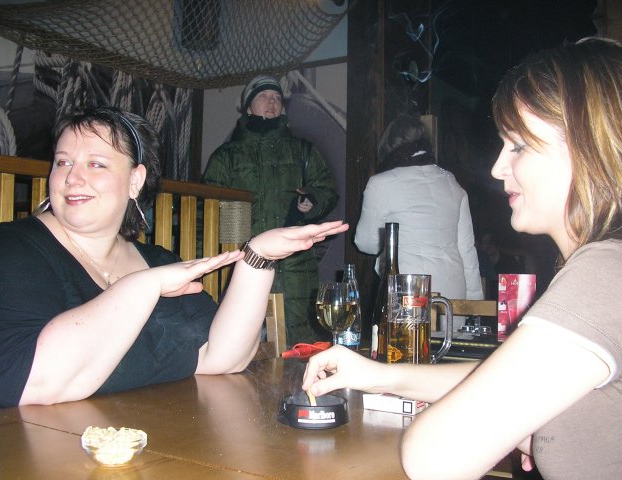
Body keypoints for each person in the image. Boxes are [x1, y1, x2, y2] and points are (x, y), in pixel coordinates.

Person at [303, 37, 622, 480]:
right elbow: (500, 373)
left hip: (406, 304)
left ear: (590, 146)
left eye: (518, 146)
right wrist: (378, 375)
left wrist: (517, 424)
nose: (497, 168)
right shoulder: (453, 185)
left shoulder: (605, 274)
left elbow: (432, 457)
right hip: (450, 301)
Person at [0, 106, 348, 410]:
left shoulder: (157, 261)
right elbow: (31, 382)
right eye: (63, 162)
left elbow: (221, 356)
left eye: (96, 164)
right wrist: (145, 286)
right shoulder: (7, 250)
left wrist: (258, 256)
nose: (72, 178)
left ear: (135, 180)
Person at [202, 75, 339, 346]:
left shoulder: (303, 151)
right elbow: (207, 211)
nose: (272, 102)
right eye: (263, 96)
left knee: (298, 339)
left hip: (295, 263)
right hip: (244, 259)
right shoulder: (226, 157)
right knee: (242, 341)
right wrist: (207, 262)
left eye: (276, 97)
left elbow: (327, 190)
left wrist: (312, 201)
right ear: (248, 106)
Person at [354, 114, 484, 330]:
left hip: (409, 292)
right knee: (447, 351)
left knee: (405, 350)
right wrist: (474, 304)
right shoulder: (451, 182)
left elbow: (366, 243)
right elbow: (467, 250)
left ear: (389, 145)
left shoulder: (380, 183)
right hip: (451, 293)